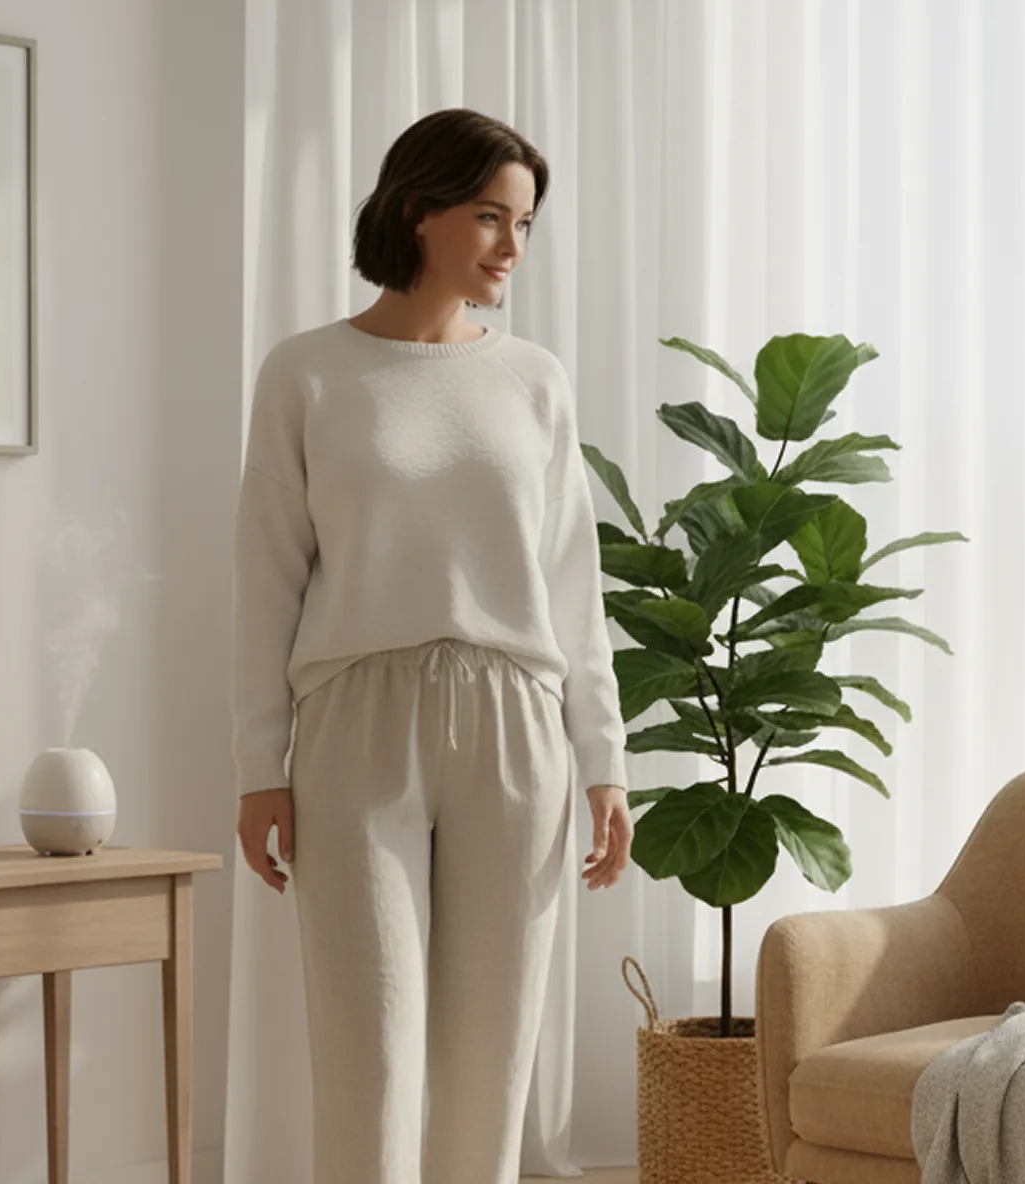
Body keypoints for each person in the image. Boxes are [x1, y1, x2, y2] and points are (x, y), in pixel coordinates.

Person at [231, 107, 633, 1184]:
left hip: (515, 731)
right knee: (365, 1064)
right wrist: (254, 770)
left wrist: (601, 759)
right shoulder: (306, 374)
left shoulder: (533, 380)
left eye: (524, 225)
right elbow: (264, 580)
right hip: (356, 733)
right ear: (419, 212)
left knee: (489, 1078)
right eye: (490, 218)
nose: (511, 246)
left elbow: (571, 584)